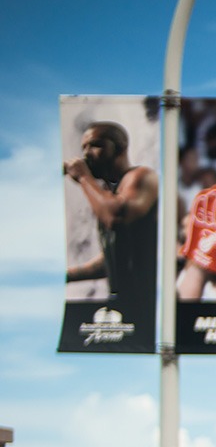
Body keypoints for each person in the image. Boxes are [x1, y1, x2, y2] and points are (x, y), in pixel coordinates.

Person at [63, 121, 158, 318]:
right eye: (84, 147)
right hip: (124, 303)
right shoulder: (109, 193)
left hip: (149, 303)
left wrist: (83, 177)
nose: (87, 153)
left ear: (120, 147)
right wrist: (68, 275)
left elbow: (116, 217)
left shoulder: (141, 176)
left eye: (96, 145)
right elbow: (114, 258)